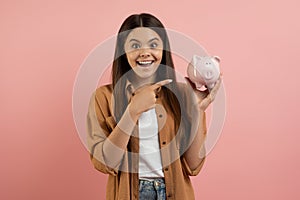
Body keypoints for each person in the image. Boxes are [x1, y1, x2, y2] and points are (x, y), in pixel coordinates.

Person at [87, 13, 221, 200]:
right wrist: (132, 111)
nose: (145, 52)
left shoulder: (183, 95)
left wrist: (197, 110)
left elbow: (193, 166)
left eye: (153, 44)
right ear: (123, 52)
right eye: (135, 46)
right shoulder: (103, 98)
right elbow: (106, 163)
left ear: (163, 49)